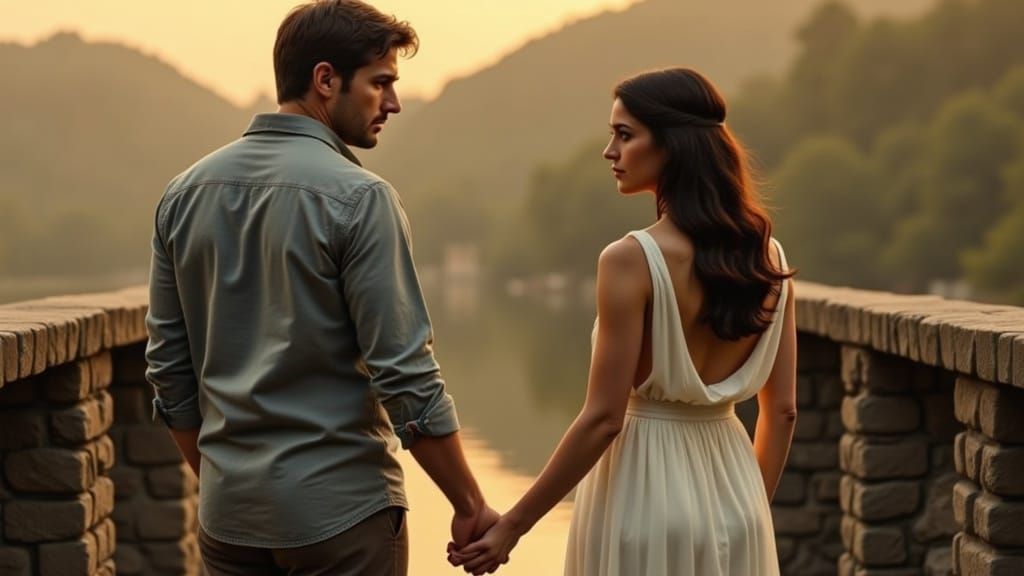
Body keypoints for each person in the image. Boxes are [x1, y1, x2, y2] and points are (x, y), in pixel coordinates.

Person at [144, 2, 498, 574]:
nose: (394, 102)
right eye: (380, 83)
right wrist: (471, 504)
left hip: (228, 521)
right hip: (341, 518)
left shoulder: (182, 195)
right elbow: (405, 374)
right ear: (325, 80)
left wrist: (223, 484)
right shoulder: (360, 198)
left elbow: (168, 370)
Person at [450, 68, 798, 576]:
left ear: (672, 147)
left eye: (624, 135)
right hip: (738, 500)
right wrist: (750, 506)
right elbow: (783, 410)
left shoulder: (630, 259)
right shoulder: (769, 258)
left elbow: (603, 418)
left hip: (643, 498)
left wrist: (513, 527)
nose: (609, 151)